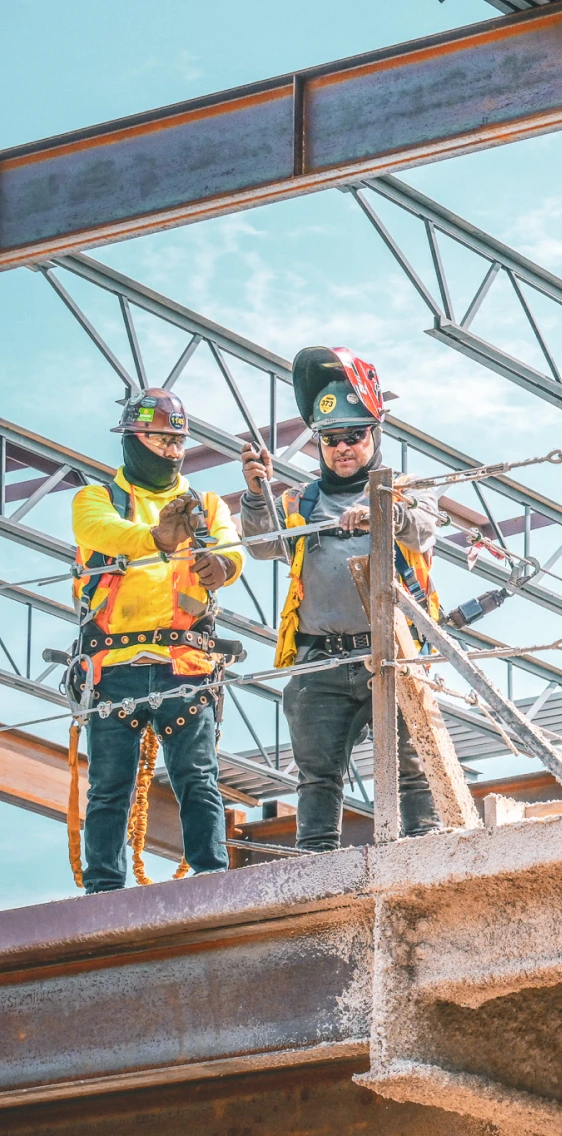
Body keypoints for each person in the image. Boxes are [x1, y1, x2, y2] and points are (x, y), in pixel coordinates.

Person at [238, 347, 443, 851]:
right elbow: (263, 545)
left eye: (354, 435)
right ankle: (316, 861)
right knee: (317, 773)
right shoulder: (298, 501)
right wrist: (256, 494)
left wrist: (383, 513)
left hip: (390, 654)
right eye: (330, 439)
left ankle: (426, 846)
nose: (342, 447)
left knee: (413, 761)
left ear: (375, 434)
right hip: (321, 662)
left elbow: (422, 529)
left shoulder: (406, 489)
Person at [70, 388, 243, 892]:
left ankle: (211, 880)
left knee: (197, 777)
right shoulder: (98, 500)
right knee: (109, 787)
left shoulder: (205, 505)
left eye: (177, 441)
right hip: (114, 664)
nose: (171, 450)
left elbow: (234, 548)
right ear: (133, 440)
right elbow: (105, 533)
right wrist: (158, 539)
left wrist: (223, 565)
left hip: (184, 661)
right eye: (160, 439)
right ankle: (103, 890)